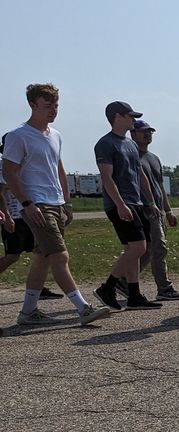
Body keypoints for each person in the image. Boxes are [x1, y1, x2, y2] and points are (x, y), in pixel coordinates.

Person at [1, 83, 111, 326]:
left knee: (43, 257)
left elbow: (59, 169)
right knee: (60, 256)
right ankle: (83, 308)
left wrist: (68, 203)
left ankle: (28, 312)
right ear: (32, 105)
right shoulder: (18, 136)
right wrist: (26, 204)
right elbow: (9, 173)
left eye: (56, 105)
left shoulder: (55, 135)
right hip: (37, 205)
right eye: (47, 105)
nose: (53, 110)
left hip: (57, 203)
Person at [93, 101, 163, 311]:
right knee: (138, 247)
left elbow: (140, 174)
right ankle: (108, 287)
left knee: (135, 249)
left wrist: (150, 201)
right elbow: (106, 177)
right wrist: (120, 205)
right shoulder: (106, 144)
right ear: (117, 117)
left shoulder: (131, 144)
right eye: (130, 116)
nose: (133, 119)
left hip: (137, 202)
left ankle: (134, 295)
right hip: (120, 204)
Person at [0, 131, 63, 301]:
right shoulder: (3, 165)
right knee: (12, 255)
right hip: (15, 216)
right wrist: (6, 216)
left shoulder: (26, 163)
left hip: (30, 214)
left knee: (42, 252)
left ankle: (38, 287)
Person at [131, 118, 179, 300]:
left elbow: (161, 186)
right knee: (159, 247)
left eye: (150, 131)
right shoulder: (132, 156)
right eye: (143, 131)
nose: (147, 134)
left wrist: (169, 211)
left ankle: (122, 282)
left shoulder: (154, 158)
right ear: (133, 134)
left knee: (148, 251)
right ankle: (164, 288)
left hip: (159, 209)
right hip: (145, 209)